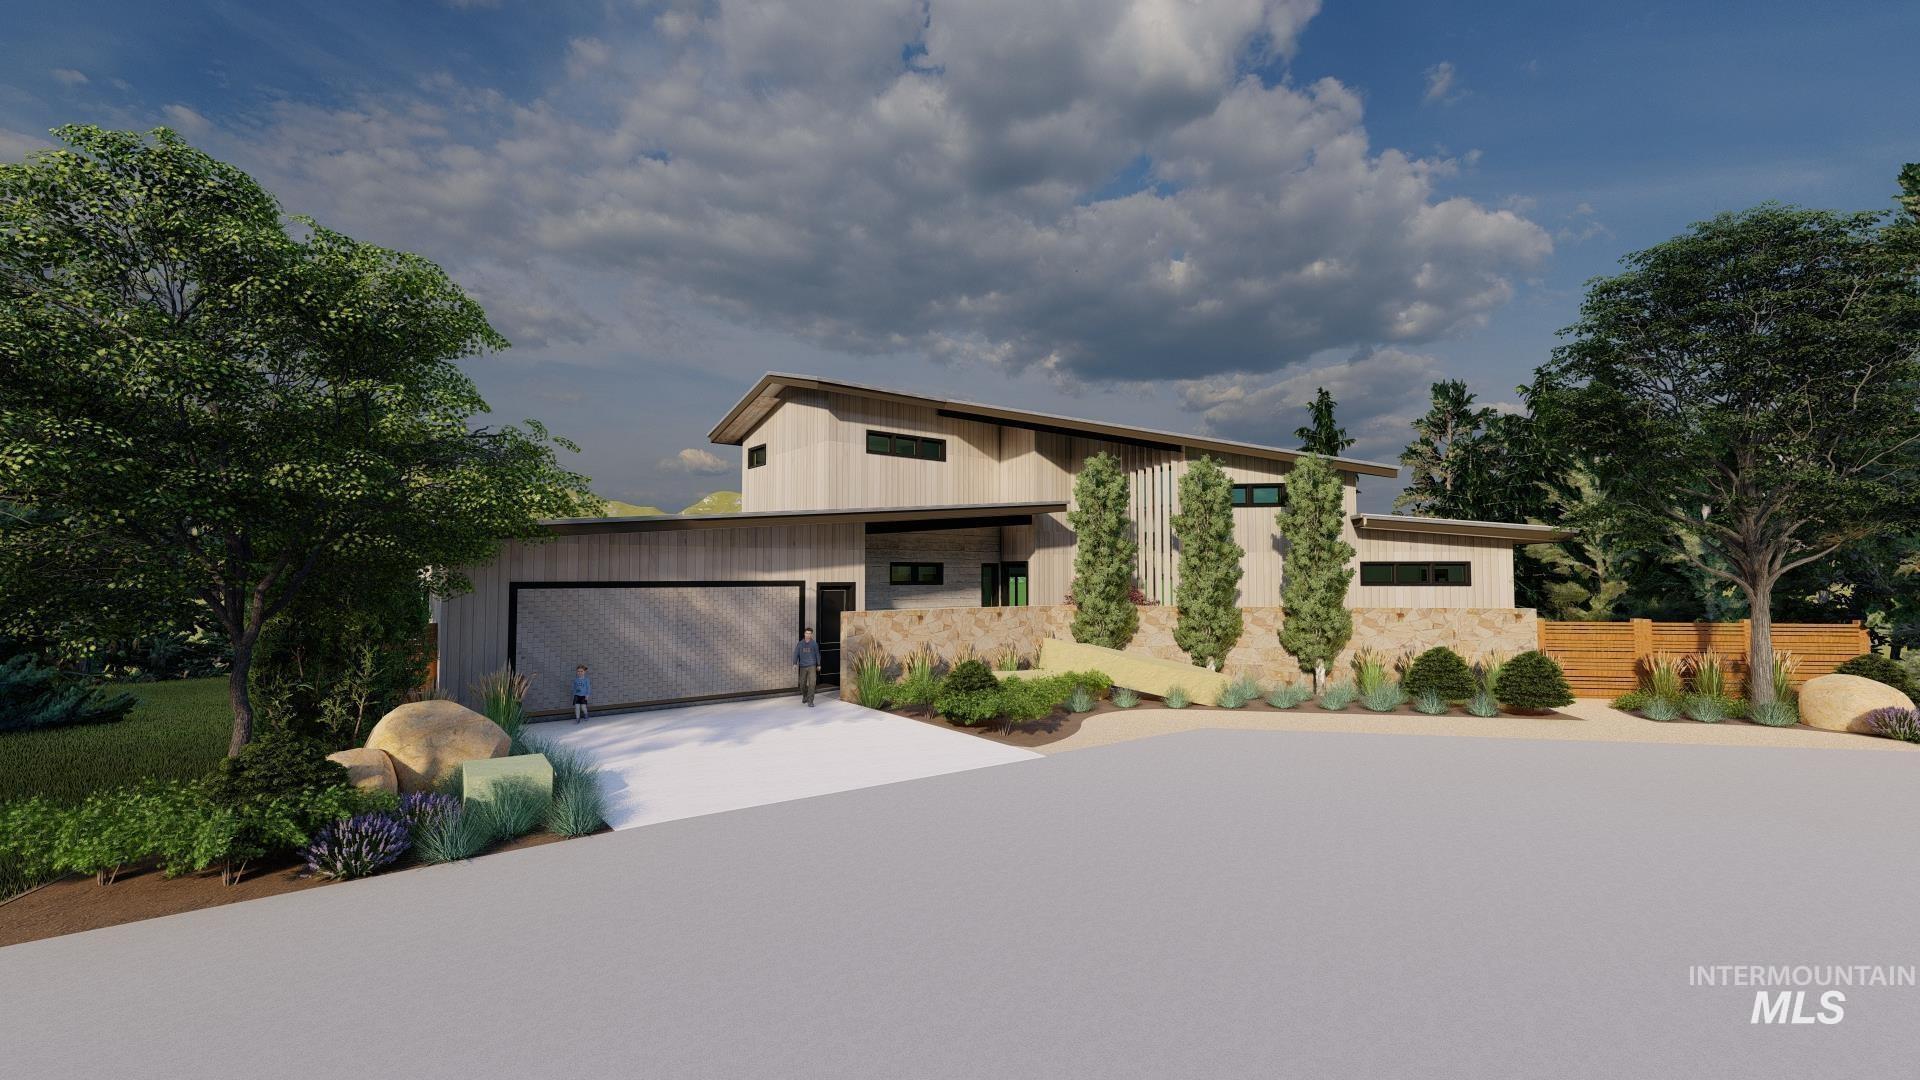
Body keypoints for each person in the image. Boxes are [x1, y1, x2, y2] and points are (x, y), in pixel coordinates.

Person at [794, 628, 821, 706]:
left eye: (809, 633)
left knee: (812, 683)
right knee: (802, 684)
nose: (808, 635)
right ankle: (805, 696)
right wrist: (794, 663)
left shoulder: (814, 644)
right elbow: (796, 653)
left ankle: (810, 701)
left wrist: (818, 664)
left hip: (812, 666)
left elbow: (817, 654)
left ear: (811, 634)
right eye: (807, 633)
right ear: (804, 634)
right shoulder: (800, 644)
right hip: (803, 666)